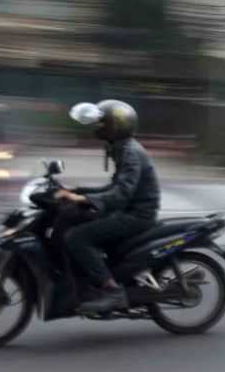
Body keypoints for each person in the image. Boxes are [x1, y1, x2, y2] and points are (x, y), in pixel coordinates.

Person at [58, 100, 161, 313]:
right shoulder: (121, 148)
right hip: (127, 210)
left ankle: (113, 291)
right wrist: (79, 192)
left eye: (102, 123)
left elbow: (122, 192)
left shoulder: (130, 152)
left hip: (136, 215)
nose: (98, 127)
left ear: (116, 126)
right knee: (81, 220)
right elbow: (114, 186)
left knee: (77, 237)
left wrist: (85, 200)